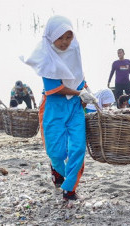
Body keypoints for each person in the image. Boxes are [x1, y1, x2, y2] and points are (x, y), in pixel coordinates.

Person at [22, 15, 95, 201]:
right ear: (51, 37)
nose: (65, 42)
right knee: (56, 152)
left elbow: (78, 76)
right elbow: (54, 88)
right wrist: (80, 94)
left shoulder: (74, 50)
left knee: (77, 148)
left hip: (75, 107)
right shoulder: (46, 57)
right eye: (60, 38)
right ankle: (57, 169)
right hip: (54, 106)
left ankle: (69, 189)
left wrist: (87, 90)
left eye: (68, 37)